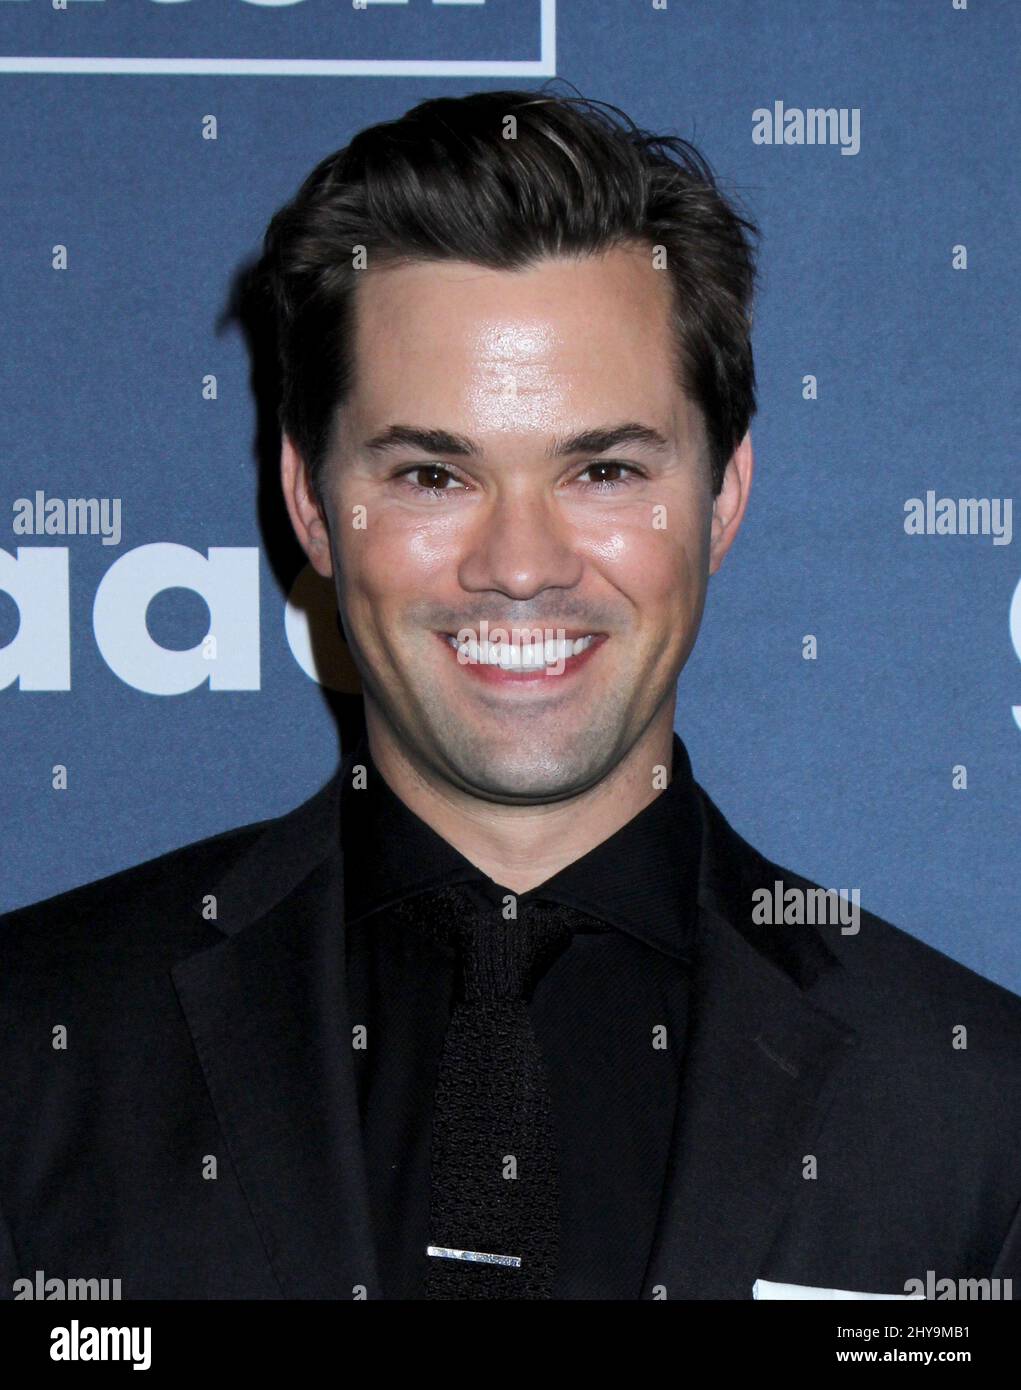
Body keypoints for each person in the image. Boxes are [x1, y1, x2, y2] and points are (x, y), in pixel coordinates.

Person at [1, 88, 1019, 1302]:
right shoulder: (38, 1048)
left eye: (602, 468)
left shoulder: (971, 1116)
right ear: (314, 503)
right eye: (434, 472)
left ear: (722, 497)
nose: (521, 564)